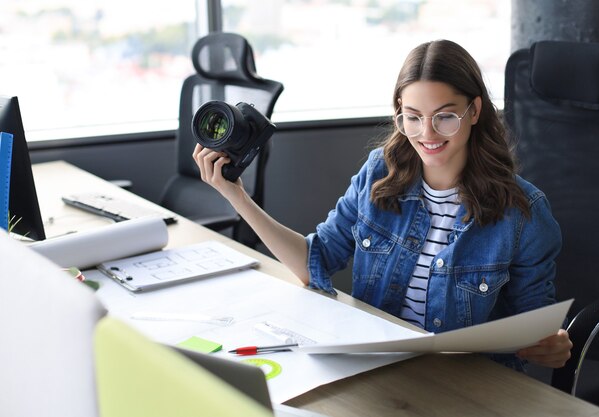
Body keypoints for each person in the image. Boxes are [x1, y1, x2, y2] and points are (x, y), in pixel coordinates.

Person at [192, 39, 572, 371]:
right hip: (377, 369)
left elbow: (533, 329)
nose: (427, 134)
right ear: (399, 114)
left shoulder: (523, 212)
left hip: (467, 382)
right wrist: (235, 195)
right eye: (413, 117)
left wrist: (549, 346)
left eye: (445, 117)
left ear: (473, 111)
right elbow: (316, 261)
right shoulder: (379, 173)